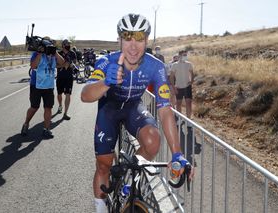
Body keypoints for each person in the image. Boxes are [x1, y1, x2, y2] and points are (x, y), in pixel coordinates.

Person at [80, 13, 194, 213]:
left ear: (147, 40)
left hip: (133, 107)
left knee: (153, 141)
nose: (133, 45)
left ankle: (127, 179)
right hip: (109, 109)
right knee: (103, 165)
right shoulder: (106, 62)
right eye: (127, 37)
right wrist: (106, 81)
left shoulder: (156, 67)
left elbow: (166, 111)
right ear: (119, 40)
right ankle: (100, 206)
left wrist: (177, 153)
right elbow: (85, 95)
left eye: (139, 38)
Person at [21, 38, 65, 138]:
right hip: (37, 85)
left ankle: (46, 129)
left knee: (48, 107)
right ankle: (26, 123)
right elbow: (33, 66)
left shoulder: (53, 56)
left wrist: (56, 53)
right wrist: (40, 53)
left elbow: (62, 63)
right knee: (34, 107)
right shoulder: (37, 54)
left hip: (49, 86)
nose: (49, 48)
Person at [56, 39, 77, 120]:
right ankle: (60, 105)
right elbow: (55, 65)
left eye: (69, 44)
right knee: (59, 94)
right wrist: (63, 65)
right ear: (63, 45)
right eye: (68, 44)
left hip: (69, 77)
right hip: (60, 76)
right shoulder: (58, 54)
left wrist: (72, 64)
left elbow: (76, 63)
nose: (69, 45)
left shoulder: (72, 53)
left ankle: (65, 113)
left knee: (68, 94)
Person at [170, 50, 194, 118]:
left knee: (188, 103)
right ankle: (179, 118)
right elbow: (171, 77)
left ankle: (188, 120)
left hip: (187, 86)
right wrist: (174, 87)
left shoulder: (189, 64)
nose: (185, 56)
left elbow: (192, 73)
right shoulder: (174, 65)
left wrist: (191, 81)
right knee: (178, 103)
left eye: (186, 55)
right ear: (180, 56)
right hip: (178, 87)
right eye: (184, 55)